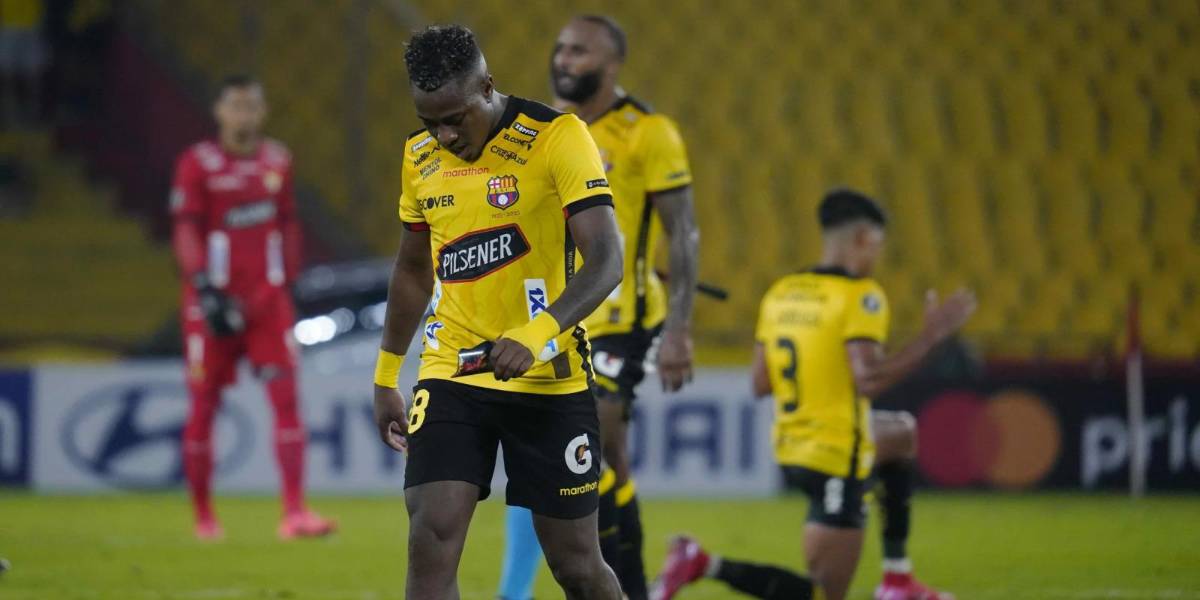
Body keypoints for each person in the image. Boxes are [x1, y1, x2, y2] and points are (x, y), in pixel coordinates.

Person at [370, 25, 624, 600]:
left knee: (577, 566)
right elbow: (412, 270)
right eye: (429, 121)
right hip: (452, 372)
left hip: (547, 377)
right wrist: (386, 375)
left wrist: (536, 335)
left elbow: (607, 260)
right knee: (430, 538)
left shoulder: (559, 137)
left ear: (487, 87)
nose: (443, 135)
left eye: (454, 119)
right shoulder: (418, 156)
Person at [651, 190, 974, 600]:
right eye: (878, 244)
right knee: (823, 595)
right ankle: (702, 562)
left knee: (900, 433)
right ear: (863, 239)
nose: (878, 255)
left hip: (791, 447)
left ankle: (898, 579)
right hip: (836, 457)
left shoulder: (782, 292)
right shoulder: (861, 296)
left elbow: (760, 384)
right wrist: (931, 338)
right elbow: (868, 380)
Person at [498, 15, 700, 600]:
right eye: (560, 48)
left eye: (579, 51)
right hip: (556, 316)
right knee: (598, 463)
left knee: (592, 445)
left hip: (622, 322)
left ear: (612, 64)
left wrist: (680, 329)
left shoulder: (648, 132)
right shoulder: (542, 130)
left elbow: (683, 233)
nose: (564, 59)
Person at [170, 75, 335, 541]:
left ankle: (294, 513)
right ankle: (204, 518)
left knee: (287, 400)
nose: (243, 115)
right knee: (204, 404)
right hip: (213, 304)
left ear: (262, 113)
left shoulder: (277, 160)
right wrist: (203, 287)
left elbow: (287, 224)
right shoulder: (197, 164)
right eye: (236, 106)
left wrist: (289, 283)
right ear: (219, 112)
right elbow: (185, 229)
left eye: (251, 106)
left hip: (267, 303)